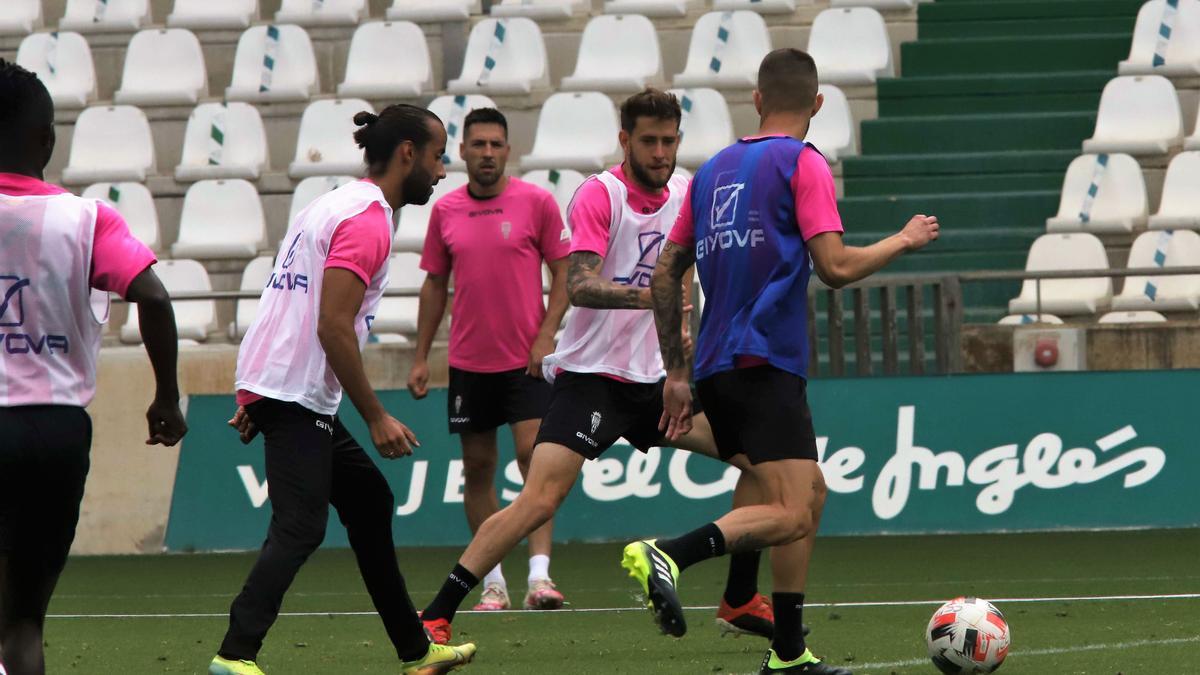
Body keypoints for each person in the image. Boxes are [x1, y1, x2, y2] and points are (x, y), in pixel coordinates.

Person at [418, 88, 778, 646]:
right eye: (649, 141)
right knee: (539, 499)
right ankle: (438, 612)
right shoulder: (598, 195)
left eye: (669, 141)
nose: (660, 152)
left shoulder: (687, 191)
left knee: (764, 464)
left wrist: (681, 357)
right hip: (595, 380)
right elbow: (580, 284)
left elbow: (683, 280)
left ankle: (739, 598)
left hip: (660, 382)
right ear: (624, 141)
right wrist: (651, 298)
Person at [633, 48, 940, 675]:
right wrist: (903, 240)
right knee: (792, 510)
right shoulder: (804, 163)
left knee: (809, 493)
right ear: (818, 104)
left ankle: (788, 650)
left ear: (756, 99)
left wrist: (677, 370)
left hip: (717, 367)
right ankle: (671, 554)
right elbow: (835, 267)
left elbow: (667, 273)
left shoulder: (713, 169)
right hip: (765, 361)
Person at [210, 105, 475, 675]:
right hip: (296, 390)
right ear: (408, 153)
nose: (443, 170)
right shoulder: (367, 219)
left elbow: (285, 296)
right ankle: (235, 655)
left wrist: (254, 390)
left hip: (283, 385)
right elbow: (331, 322)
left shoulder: (329, 204)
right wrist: (376, 414)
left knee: (369, 500)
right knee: (301, 525)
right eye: (437, 156)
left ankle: (415, 650)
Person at [0, 59, 188, 675]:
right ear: (47, 140)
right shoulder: (87, 219)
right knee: (24, 620)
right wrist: (165, 398)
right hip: (56, 432)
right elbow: (155, 298)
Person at [407, 107, 570, 611]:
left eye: (496, 144)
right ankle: (492, 580)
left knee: (534, 463)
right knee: (477, 468)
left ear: (508, 149)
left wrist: (547, 335)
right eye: (478, 144)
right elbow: (435, 284)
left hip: (527, 362)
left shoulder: (537, 202)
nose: (487, 153)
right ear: (462, 151)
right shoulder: (445, 210)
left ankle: (540, 577)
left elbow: (566, 273)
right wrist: (420, 356)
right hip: (468, 363)